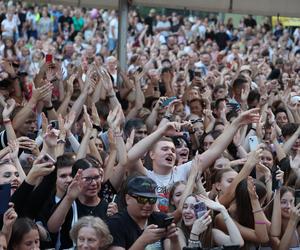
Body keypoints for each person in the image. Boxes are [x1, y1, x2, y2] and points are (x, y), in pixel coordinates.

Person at [106, 175, 180, 250]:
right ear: (128, 199)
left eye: (152, 200)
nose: (148, 205)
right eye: (142, 199)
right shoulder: (115, 223)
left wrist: (174, 240)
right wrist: (143, 241)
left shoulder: (161, 219)